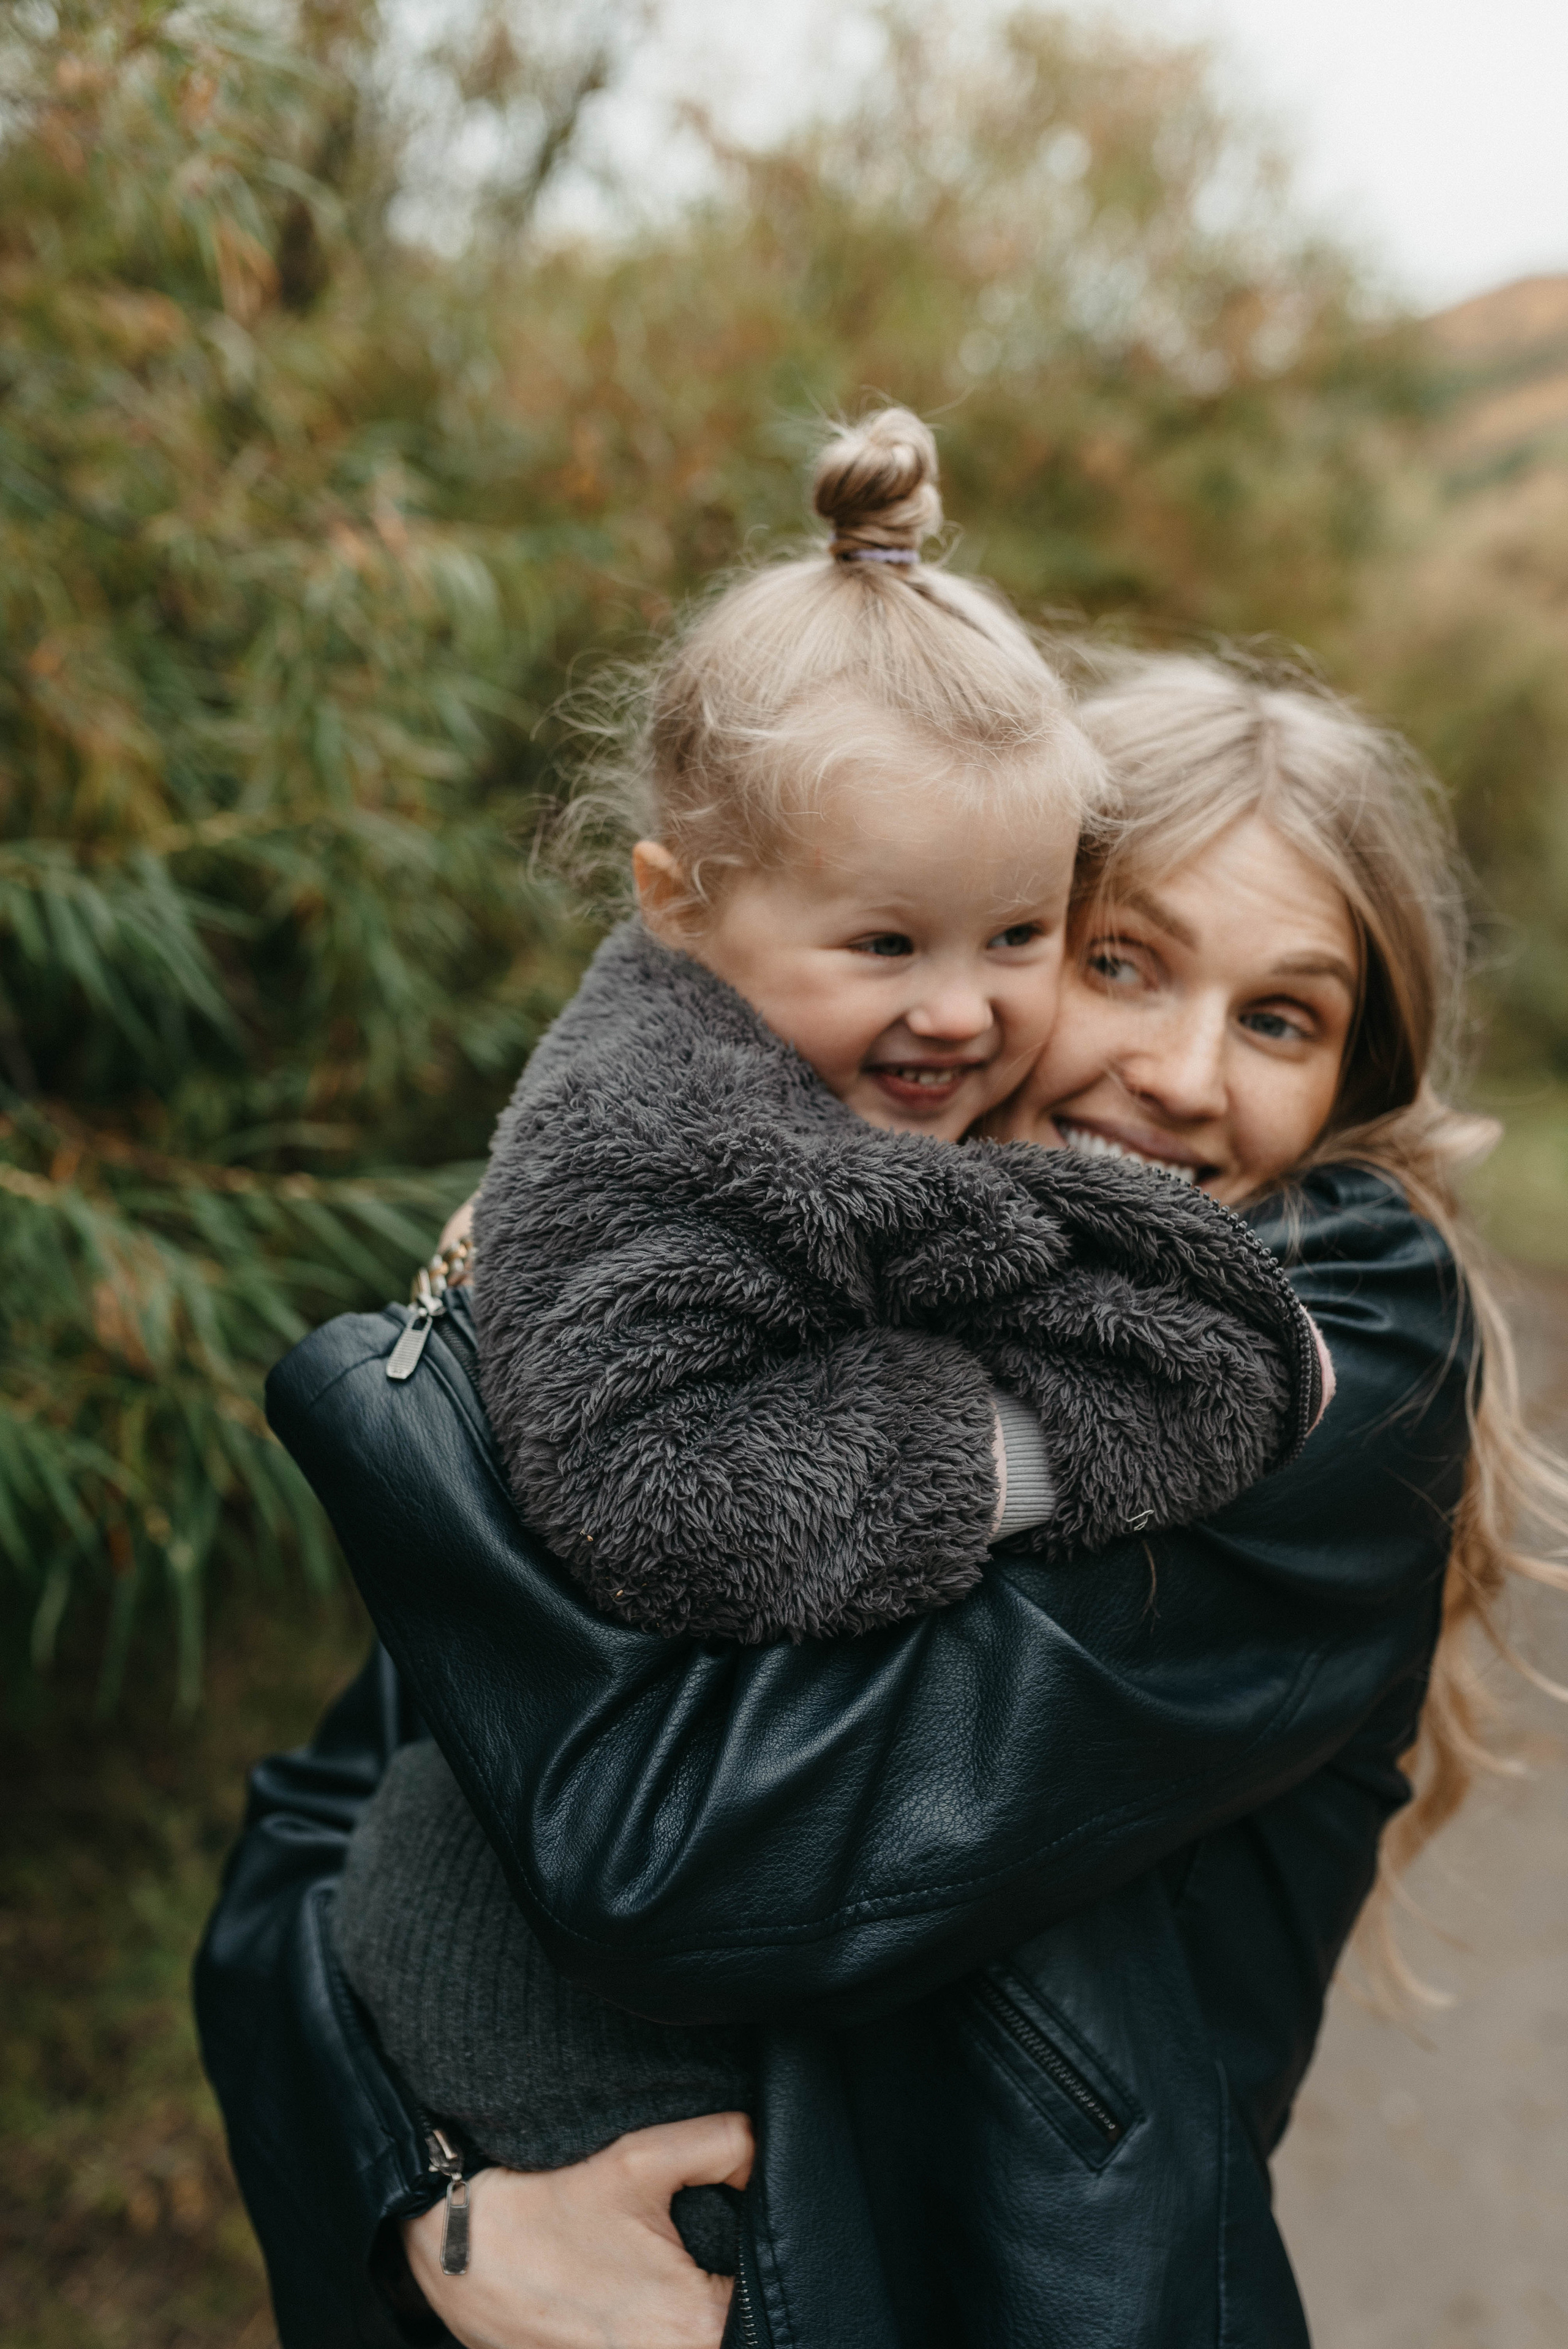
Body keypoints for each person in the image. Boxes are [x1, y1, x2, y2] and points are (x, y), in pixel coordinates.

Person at [197, 652, 1565, 2348]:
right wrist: (432, 2207)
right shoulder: (789, 1275)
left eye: (1282, 1017)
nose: (1187, 1072)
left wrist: (398, 1417)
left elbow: (674, 1850)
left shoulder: (1307, 1344)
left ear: (1352, 1082)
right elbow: (309, 1837)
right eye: (1119, 960)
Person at [323, 415, 1322, 2275]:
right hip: (541, 2000)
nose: (962, 1007)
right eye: (887, 942)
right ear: (678, 902)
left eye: (1023, 932)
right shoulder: (668, 1136)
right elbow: (665, 1482)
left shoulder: (818, 1099)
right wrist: (1025, 1445)